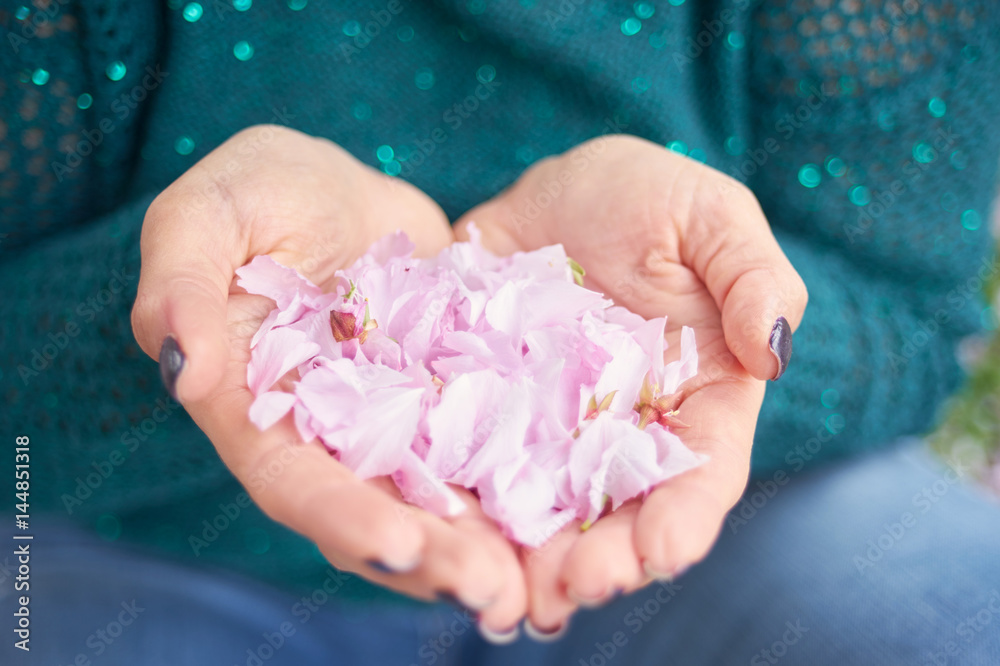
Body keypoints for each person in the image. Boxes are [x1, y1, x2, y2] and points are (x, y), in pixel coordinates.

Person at [2, 1, 999, 664]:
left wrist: (728, 337)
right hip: (146, 546)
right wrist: (174, 312)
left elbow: (914, 327)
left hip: (717, 524)